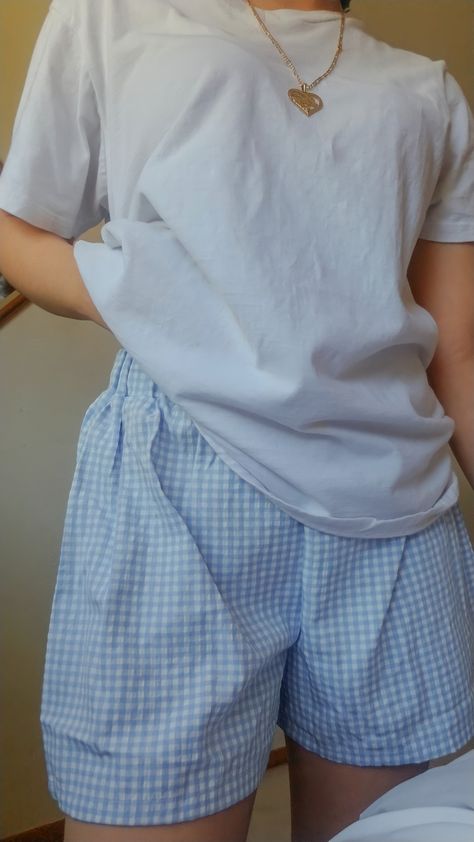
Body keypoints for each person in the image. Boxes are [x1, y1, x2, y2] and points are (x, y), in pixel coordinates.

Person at [0, 1, 473, 840]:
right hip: (177, 492)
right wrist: (140, 302)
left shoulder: (429, 92)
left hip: (394, 514)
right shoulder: (111, 14)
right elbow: (18, 226)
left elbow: (457, 355)